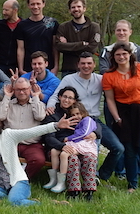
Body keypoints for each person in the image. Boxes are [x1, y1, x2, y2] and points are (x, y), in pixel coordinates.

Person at [47, 52, 125, 183]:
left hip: (94, 120)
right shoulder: (69, 79)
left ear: (94, 64)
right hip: (77, 120)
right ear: (78, 65)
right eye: (83, 63)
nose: (86, 66)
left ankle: (101, 176)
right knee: (91, 147)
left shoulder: (101, 79)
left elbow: (116, 91)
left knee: (118, 148)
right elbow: (56, 95)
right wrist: (50, 107)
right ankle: (89, 179)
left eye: (89, 63)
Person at [0, 111, 77, 206]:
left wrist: (56, 126)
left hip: (16, 181)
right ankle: (16, 200)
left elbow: (31, 132)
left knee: (14, 202)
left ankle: (50, 204)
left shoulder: (8, 135)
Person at [102, 42, 140, 194]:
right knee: (130, 151)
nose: (121, 57)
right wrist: (117, 119)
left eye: (124, 54)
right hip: (124, 116)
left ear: (130, 55)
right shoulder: (109, 75)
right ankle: (132, 185)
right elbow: (110, 100)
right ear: (113, 57)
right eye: (118, 54)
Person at [43, 100, 98, 199]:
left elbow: (88, 129)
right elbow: (49, 137)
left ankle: (89, 190)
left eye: (70, 97)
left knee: (88, 158)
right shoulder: (53, 114)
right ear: (59, 97)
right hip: (69, 143)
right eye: (64, 97)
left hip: (82, 145)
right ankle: (71, 189)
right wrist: (62, 143)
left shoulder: (85, 119)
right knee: (69, 157)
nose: (67, 100)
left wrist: (96, 133)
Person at [0, 78, 47, 180]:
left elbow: (40, 116)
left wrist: (35, 96)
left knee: (38, 160)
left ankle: (22, 179)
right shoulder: (8, 103)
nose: (21, 92)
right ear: (14, 90)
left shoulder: (37, 104)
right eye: (18, 89)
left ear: (29, 89)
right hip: (10, 142)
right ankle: (6, 178)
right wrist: (7, 96)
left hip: (31, 144)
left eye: (24, 89)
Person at [55, 0, 101, 76]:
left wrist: (68, 46)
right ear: (69, 10)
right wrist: (82, 44)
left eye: (79, 6)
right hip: (68, 70)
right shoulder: (63, 27)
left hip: (87, 70)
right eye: (73, 7)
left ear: (84, 8)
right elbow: (59, 46)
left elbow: (92, 49)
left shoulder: (94, 27)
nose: (76, 9)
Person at [16, 0, 59, 74]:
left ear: (43, 4)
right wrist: (21, 69)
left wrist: (56, 66)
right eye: (32, 4)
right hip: (28, 68)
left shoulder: (52, 23)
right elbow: (20, 48)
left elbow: (55, 47)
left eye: (38, 4)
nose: (35, 7)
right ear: (28, 5)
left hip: (48, 68)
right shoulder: (22, 25)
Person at [0, 0, 21, 77]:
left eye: (6, 10)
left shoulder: (23, 26)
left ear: (15, 10)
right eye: (3, 10)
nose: (3, 12)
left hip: (16, 67)